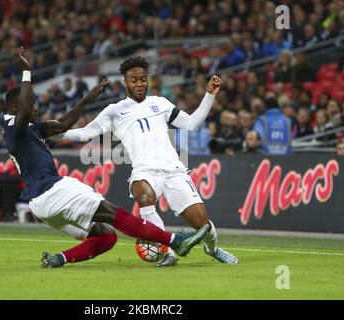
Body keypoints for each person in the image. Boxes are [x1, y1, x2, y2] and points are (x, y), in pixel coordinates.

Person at [4, 48, 209, 269]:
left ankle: (58, 259)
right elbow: (25, 112)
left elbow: (62, 126)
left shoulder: (30, 128)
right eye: (32, 103)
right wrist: (26, 72)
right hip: (53, 189)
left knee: (106, 237)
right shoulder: (13, 126)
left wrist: (87, 99)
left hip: (40, 205)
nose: (35, 107)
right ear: (15, 107)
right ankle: (175, 242)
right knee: (115, 214)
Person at [55, 56, 238, 266]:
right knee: (142, 193)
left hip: (174, 171)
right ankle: (168, 251)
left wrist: (209, 96)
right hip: (145, 172)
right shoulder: (115, 111)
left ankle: (212, 249)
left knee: (204, 226)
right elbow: (86, 133)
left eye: (143, 78)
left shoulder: (160, 103)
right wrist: (54, 135)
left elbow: (192, 123)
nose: (140, 83)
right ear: (125, 81)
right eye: (134, 79)